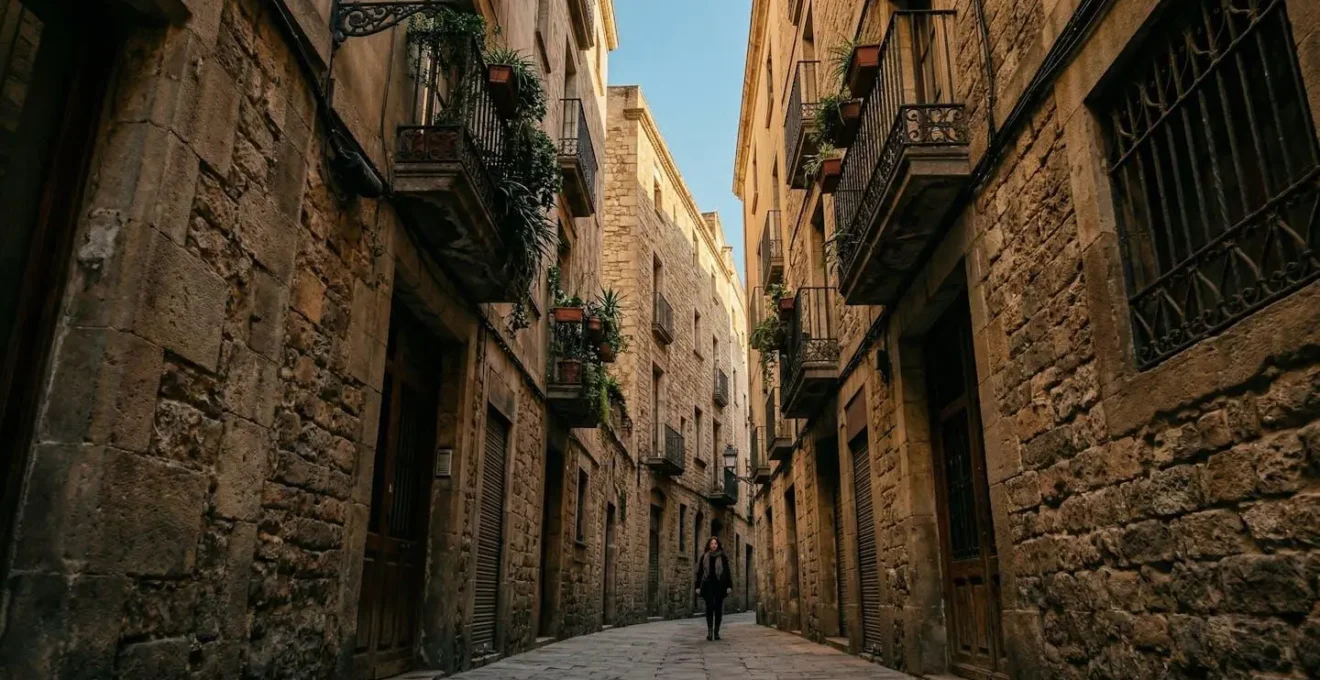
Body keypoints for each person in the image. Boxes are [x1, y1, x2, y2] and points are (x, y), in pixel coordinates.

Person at [694, 535, 733, 640]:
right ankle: (710, 632)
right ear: (709, 545)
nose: (714, 545)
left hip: (720, 586)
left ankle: (716, 632)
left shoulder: (723, 557)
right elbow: (700, 572)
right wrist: (697, 586)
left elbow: (727, 571)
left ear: (718, 545)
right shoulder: (705, 557)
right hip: (708, 586)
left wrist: (729, 585)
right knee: (710, 608)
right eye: (712, 543)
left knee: (718, 609)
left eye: (715, 543)